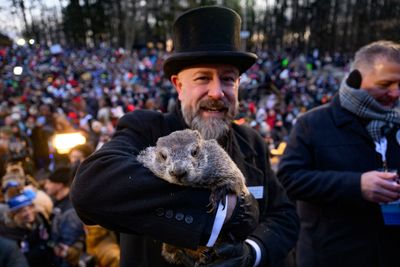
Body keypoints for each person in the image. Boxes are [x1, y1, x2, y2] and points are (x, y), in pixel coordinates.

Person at [71, 6, 298, 267]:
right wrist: (222, 214)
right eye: (203, 78)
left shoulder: (251, 140)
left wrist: (251, 252)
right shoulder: (146, 129)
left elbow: (284, 216)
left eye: (228, 79)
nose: (216, 92)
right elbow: (89, 189)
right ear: (179, 86)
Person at [277, 40, 400, 267]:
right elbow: (288, 179)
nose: (395, 93)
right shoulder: (312, 124)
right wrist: (356, 185)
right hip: (330, 256)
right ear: (356, 80)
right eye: (386, 84)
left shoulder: (396, 123)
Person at [44, 166, 85, 267]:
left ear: (59, 185)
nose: (46, 186)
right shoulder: (55, 201)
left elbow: (67, 248)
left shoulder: (70, 211)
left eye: (49, 182)